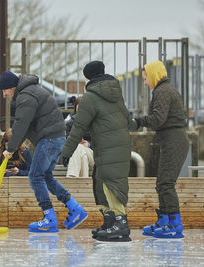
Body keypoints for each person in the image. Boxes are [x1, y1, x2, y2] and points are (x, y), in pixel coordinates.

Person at [0, 70, 88, 233]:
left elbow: (21, 124)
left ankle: (49, 218)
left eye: (5, 90)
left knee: (35, 176)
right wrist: (13, 146)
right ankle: (75, 208)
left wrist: (10, 148)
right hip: (56, 138)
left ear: (12, 87)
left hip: (50, 139)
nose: (4, 94)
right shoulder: (29, 92)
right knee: (46, 176)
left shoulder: (26, 96)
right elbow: (25, 126)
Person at [61, 61, 138, 242]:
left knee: (110, 183)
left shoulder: (90, 97)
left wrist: (66, 152)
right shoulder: (116, 94)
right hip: (118, 144)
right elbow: (128, 120)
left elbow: (78, 127)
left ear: (88, 77)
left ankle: (121, 224)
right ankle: (111, 220)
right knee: (101, 182)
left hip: (108, 145)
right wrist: (138, 123)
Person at [136, 60, 189, 238]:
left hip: (174, 140)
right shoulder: (163, 90)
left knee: (166, 184)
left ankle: (175, 225)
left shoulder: (163, 91)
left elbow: (158, 119)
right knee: (162, 183)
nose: (145, 83)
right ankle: (164, 221)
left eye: (145, 79)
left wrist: (138, 121)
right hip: (171, 139)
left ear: (153, 75)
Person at [65, 97, 94, 177]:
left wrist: (88, 144)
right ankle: (83, 186)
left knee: (78, 148)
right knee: (83, 157)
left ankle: (71, 176)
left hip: (94, 154)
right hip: (78, 152)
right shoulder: (70, 123)